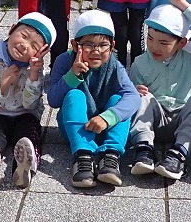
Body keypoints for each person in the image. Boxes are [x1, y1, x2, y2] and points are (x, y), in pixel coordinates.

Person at [126, 0, 191, 181]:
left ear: (182, 42)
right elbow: (130, 99)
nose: (154, 47)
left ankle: (179, 153)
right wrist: (134, 92)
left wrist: (185, 6)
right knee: (142, 97)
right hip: (154, 122)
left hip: (183, 121)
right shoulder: (140, 62)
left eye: (164, 42)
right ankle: (144, 149)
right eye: (150, 38)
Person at [48, 10, 141, 189]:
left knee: (119, 100)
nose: (96, 51)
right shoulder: (63, 61)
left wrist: (108, 118)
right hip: (76, 130)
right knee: (75, 94)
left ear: (112, 45)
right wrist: (72, 76)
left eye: (103, 45)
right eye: (88, 45)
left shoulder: (114, 65)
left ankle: (110, 156)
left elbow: (133, 97)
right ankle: (83, 156)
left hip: (107, 129)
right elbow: (53, 99)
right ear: (75, 46)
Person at [0, 13, 53, 189]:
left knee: (28, 135)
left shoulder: (35, 68)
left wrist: (33, 76)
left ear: (41, 53)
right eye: (23, 36)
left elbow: (30, 105)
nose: (24, 46)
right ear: (11, 29)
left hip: (25, 114)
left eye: (34, 46)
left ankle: (23, 170)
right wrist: (2, 85)